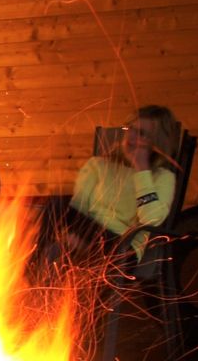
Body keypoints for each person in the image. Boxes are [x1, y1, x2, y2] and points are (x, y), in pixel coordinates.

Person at [67, 104, 182, 261]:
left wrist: (141, 169)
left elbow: (152, 220)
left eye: (141, 133)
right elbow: (77, 209)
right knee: (51, 207)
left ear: (156, 143)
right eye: (130, 129)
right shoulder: (98, 165)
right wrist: (71, 235)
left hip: (122, 247)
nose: (131, 137)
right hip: (85, 234)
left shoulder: (163, 177)